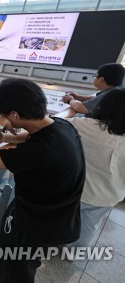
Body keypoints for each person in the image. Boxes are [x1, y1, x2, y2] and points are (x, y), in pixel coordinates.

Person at [0, 78, 85, 283]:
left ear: (14, 115)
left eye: (3, 114)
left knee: (16, 270)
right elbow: (29, 138)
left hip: (36, 224)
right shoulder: (61, 126)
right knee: (10, 258)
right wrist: (6, 137)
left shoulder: (41, 151)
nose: (2, 117)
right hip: (53, 214)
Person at [66, 88, 125, 247]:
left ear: (104, 106)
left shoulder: (83, 125)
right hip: (109, 195)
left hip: (76, 190)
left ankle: (49, 245)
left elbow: (52, 125)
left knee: (62, 219)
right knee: (89, 225)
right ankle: (74, 253)